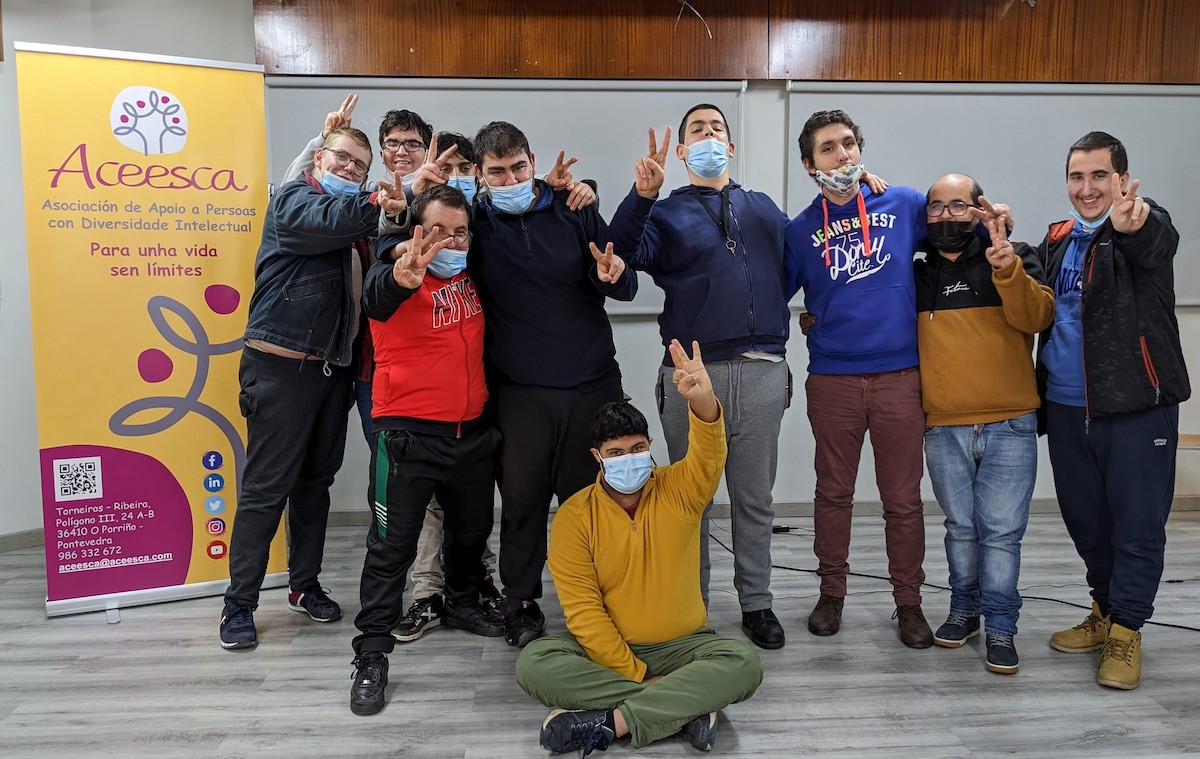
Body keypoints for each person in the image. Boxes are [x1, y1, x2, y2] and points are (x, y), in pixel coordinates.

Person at [446, 120, 660, 649]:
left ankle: (603, 598)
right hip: (518, 391)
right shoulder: (473, 225)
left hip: (591, 384)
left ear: (533, 162)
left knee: (595, 503)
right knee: (522, 503)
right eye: (497, 172)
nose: (511, 179)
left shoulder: (574, 207)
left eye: (519, 167)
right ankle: (520, 602)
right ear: (480, 175)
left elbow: (624, 283)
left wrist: (615, 274)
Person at [516, 339, 762, 755]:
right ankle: (684, 708)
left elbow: (708, 454)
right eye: (615, 452)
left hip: (684, 646)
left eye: (637, 449)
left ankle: (611, 722)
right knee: (534, 664)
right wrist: (638, 676)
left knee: (744, 664)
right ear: (597, 456)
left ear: (650, 445)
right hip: (605, 651)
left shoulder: (682, 488)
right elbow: (583, 611)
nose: (627, 459)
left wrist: (702, 400)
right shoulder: (574, 515)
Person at [625, 103, 792, 650]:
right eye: (697, 130)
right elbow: (623, 254)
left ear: (731, 145)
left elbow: (799, 264)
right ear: (681, 150)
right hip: (693, 373)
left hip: (763, 371)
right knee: (688, 498)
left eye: (717, 128)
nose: (708, 135)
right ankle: (689, 604)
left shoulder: (762, 207)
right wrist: (642, 197)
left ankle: (757, 603)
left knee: (754, 499)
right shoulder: (665, 214)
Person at [1036, 132, 1190, 690]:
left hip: (1136, 407)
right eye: (1077, 176)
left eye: (1099, 175)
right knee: (1087, 522)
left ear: (1122, 180)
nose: (1087, 188)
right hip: (1065, 407)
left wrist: (1132, 227)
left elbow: (1156, 244)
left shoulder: (1142, 223)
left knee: (1137, 527)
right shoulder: (1058, 239)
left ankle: (1127, 629)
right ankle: (1103, 610)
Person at [219, 126, 382, 650]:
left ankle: (303, 586)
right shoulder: (294, 203)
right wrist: (380, 199)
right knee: (266, 489)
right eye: (343, 157)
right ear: (318, 157)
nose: (350, 169)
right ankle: (238, 605)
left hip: (330, 373)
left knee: (315, 484)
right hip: (279, 372)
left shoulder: (353, 227)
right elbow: (335, 218)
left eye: (360, 165)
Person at [783, 109, 934, 648]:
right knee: (833, 493)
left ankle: (909, 602)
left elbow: (959, 238)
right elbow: (772, 292)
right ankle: (831, 594)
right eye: (828, 148)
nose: (842, 154)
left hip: (900, 376)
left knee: (903, 499)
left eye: (848, 144)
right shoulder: (798, 231)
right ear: (810, 165)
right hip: (834, 379)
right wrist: (807, 320)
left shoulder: (905, 203)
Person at [349, 186, 502, 716]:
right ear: (416, 230)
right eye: (439, 230)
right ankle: (371, 654)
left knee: (471, 534)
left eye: (460, 232)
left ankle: (461, 604)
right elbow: (377, 295)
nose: (451, 242)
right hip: (407, 438)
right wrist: (399, 272)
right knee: (390, 550)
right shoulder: (391, 273)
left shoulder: (471, 277)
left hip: (471, 434)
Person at [914, 174, 1055, 674]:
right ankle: (964, 611)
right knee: (960, 528)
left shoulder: (1015, 254)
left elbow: (1038, 318)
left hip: (1009, 424)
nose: (946, 215)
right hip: (943, 426)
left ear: (980, 209)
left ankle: (1000, 625)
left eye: (958, 205)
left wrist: (1006, 267)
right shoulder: (916, 270)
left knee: (1000, 534)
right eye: (936, 206)